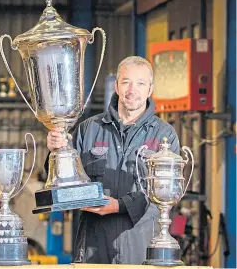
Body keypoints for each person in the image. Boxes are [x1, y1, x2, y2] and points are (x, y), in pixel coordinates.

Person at [46, 56, 180, 264]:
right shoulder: (88, 129)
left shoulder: (165, 135)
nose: (132, 90)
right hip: (93, 244)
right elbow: (62, 182)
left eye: (140, 83)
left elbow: (166, 196)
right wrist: (57, 151)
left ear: (150, 89)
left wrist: (120, 206)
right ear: (116, 86)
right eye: (126, 82)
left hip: (142, 244)